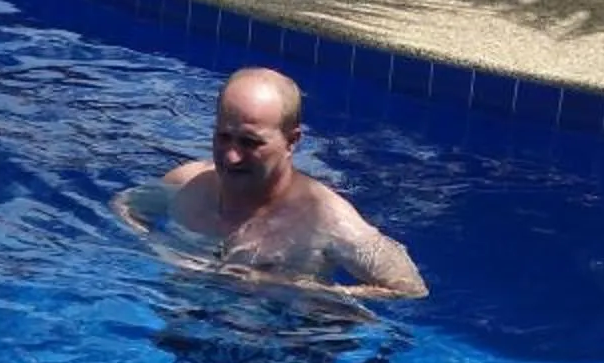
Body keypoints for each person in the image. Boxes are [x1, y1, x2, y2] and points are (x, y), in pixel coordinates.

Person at [121, 67, 427, 299]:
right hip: (188, 319)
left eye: (249, 143)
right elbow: (125, 207)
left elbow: (409, 289)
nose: (231, 157)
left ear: (292, 141)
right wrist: (156, 247)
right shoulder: (188, 183)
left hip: (279, 339)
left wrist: (293, 287)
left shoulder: (326, 219)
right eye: (223, 137)